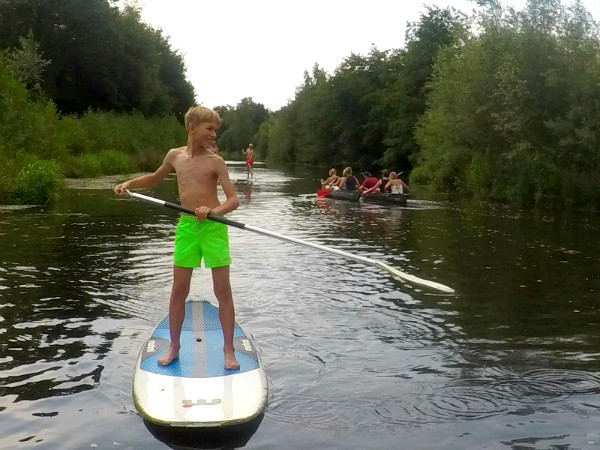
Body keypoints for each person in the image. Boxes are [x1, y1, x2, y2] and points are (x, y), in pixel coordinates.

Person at [113, 105, 240, 370]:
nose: (214, 135)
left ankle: (229, 350)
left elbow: (233, 200)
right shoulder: (175, 156)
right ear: (192, 128)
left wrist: (212, 210)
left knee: (222, 291)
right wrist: (129, 184)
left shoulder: (216, 162)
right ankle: (174, 346)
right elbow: (154, 179)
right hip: (186, 228)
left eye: (215, 130)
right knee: (178, 291)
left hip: (214, 227)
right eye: (209, 129)